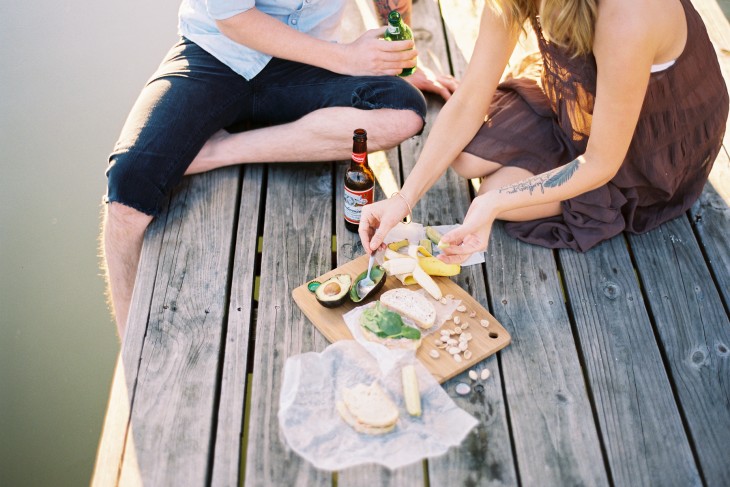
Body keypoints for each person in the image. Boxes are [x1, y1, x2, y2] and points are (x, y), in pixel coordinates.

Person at [102, 0, 458, 337]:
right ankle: (132, 348)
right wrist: (346, 57)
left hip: (306, 61)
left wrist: (403, 63)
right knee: (127, 189)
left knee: (403, 111)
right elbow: (232, 14)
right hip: (215, 53)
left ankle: (219, 150)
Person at [359, 0, 728, 265]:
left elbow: (601, 162)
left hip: (649, 139)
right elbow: (471, 98)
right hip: (582, 99)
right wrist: (403, 198)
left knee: (493, 192)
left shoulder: (628, 14)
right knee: (464, 158)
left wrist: (494, 204)